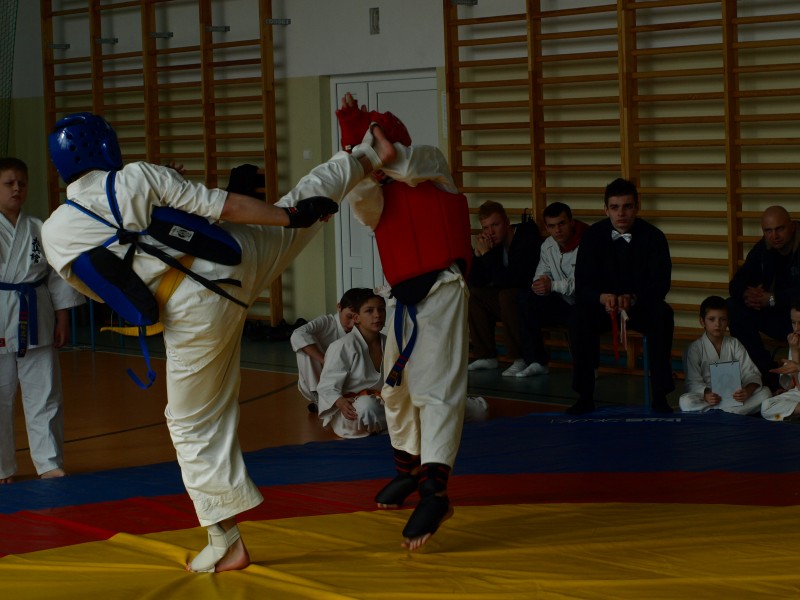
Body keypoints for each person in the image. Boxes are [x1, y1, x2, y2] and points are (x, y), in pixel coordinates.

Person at [41, 111, 397, 573]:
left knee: (191, 425)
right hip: (236, 258)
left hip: (193, 315)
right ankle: (367, 155)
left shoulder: (55, 231)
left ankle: (225, 541)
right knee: (300, 200)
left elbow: (111, 294)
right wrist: (289, 217)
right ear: (105, 146)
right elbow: (224, 206)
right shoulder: (138, 176)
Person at [336, 92, 473, 550]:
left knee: (436, 389)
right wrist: (352, 139)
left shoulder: (434, 166)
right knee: (395, 390)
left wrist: (372, 144)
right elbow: (360, 196)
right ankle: (408, 470)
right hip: (402, 302)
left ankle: (436, 491)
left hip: (443, 293)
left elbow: (406, 164)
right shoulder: (379, 195)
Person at [0, 157, 84, 484]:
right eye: (9, 183)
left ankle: (49, 463)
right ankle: (2, 469)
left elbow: (58, 276)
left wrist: (63, 318)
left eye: (21, 183)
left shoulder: (40, 228)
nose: (16, 189)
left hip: (38, 316)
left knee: (45, 395)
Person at [568, 177, 675, 415]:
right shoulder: (592, 236)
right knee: (578, 316)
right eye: (615, 207)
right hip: (603, 306)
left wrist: (634, 298)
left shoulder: (654, 237)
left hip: (639, 306)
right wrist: (602, 297)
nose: (621, 213)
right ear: (605, 209)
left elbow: (661, 284)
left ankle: (660, 396)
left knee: (663, 314)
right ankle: (584, 396)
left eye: (627, 206)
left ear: (637, 207)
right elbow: (582, 284)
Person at [728, 206, 800, 391]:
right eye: (768, 231)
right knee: (733, 306)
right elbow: (737, 282)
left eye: (780, 229)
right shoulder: (764, 247)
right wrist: (746, 293)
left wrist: (773, 299)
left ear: (792, 226)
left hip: (797, 318)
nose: (774, 236)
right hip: (779, 316)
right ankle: (767, 373)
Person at [467, 201, 542, 376]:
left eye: (495, 225)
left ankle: (520, 358)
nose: (491, 232)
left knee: (507, 295)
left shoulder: (526, 236)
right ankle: (486, 356)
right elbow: (477, 282)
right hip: (510, 300)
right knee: (476, 295)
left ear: (507, 222)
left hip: (532, 298)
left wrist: (487, 255)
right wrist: (478, 255)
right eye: (486, 228)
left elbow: (511, 281)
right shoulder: (494, 244)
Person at [516, 201, 588, 377]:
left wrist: (552, 285)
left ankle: (585, 368)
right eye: (552, 226)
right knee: (526, 298)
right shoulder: (547, 245)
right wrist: (539, 284)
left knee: (578, 314)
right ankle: (537, 361)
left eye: (561, 224)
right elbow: (541, 273)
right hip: (562, 301)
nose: (557, 230)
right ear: (547, 228)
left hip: (587, 303)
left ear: (571, 222)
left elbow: (585, 283)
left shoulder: (588, 242)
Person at [679, 295, 770, 415]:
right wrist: (706, 394)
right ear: (702, 321)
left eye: (722, 319)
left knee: (765, 393)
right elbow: (693, 382)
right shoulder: (695, 349)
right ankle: (731, 412)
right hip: (709, 398)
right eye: (712, 319)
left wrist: (747, 391)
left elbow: (750, 373)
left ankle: (720, 412)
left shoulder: (734, 344)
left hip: (734, 395)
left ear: (728, 322)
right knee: (686, 401)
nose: (717, 324)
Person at [316, 289, 388, 438]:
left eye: (381, 309)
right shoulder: (342, 346)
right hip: (352, 410)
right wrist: (340, 401)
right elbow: (326, 386)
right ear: (356, 318)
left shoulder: (390, 343)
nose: (377, 315)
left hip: (383, 403)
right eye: (369, 311)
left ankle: (385, 429)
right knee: (368, 406)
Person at [290, 287, 364, 413]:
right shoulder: (327, 322)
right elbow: (297, 335)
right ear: (339, 307)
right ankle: (319, 398)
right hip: (317, 382)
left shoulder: (361, 327)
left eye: (356, 318)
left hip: (346, 383)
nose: (352, 324)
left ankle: (331, 402)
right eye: (349, 317)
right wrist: (325, 361)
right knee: (305, 344)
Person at [761, 300, 800, 421]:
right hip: (798, 394)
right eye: (793, 323)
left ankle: (791, 414)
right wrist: (787, 390)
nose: (797, 328)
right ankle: (793, 413)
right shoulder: (795, 341)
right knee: (766, 406)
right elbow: (795, 384)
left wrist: (796, 357)